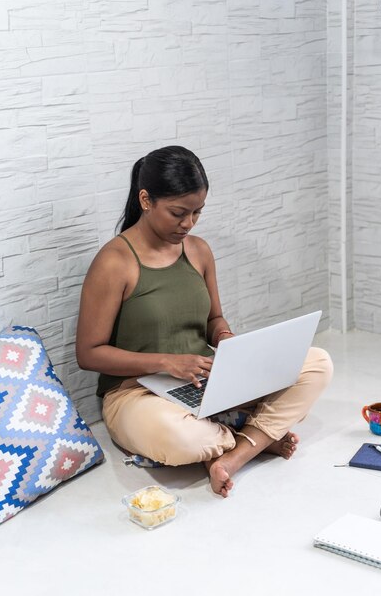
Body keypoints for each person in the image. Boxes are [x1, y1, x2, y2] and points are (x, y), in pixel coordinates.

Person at [76, 145, 333, 497]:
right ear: (146, 200)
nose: (188, 224)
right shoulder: (115, 261)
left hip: (204, 382)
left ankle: (234, 454)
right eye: (178, 213)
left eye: (197, 212)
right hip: (135, 394)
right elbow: (88, 354)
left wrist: (225, 337)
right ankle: (257, 434)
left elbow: (214, 317)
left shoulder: (198, 250)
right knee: (182, 439)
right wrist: (165, 362)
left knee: (317, 363)